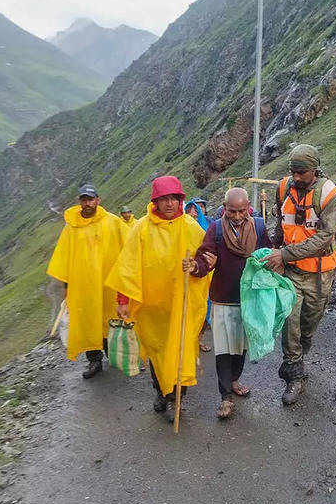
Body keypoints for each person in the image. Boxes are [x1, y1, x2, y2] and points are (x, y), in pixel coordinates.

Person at [105, 176, 211, 422]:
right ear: (155, 202)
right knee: (156, 352)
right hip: (151, 308)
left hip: (181, 304)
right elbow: (127, 268)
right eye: (164, 199)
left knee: (180, 350)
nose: (170, 204)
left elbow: (207, 258)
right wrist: (123, 301)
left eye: (174, 198)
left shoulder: (190, 227)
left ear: (181, 200)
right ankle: (161, 392)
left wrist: (196, 265)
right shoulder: (141, 227)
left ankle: (177, 397)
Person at [262, 144, 336, 405]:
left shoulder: (330, 194)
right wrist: (277, 251)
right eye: (293, 172)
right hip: (292, 272)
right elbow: (280, 224)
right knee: (291, 320)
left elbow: (323, 238)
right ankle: (294, 373)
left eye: (302, 173)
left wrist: (283, 254)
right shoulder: (283, 187)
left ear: (315, 170)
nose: (296, 177)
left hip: (321, 273)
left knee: (309, 322)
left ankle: (300, 350)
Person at [189, 187, 271, 419]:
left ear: (248, 208)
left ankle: (235, 379)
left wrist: (271, 262)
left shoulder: (258, 227)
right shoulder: (216, 229)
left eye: (241, 211)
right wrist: (198, 267)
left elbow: (268, 252)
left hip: (249, 298)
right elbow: (204, 258)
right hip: (223, 299)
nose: (236, 216)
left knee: (241, 346)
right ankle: (225, 397)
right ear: (224, 208)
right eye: (232, 211)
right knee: (224, 349)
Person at [46, 183, 129, 379]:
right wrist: (67, 287)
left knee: (110, 318)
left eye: (90, 199)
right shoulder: (71, 227)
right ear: (80, 202)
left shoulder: (112, 222)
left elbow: (129, 246)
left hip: (108, 283)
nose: (87, 203)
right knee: (87, 321)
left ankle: (115, 356)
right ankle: (94, 360)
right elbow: (65, 257)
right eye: (84, 200)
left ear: (98, 200)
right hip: (82, 285)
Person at [185, 197, 213, 352]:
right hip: (185, 278)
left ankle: (199, 339)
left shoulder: (209, 226)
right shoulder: (181, 228)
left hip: (204, 276)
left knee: (203, 311)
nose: (195, 214)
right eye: (191, 213)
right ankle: (188, 341)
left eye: (200, 209)